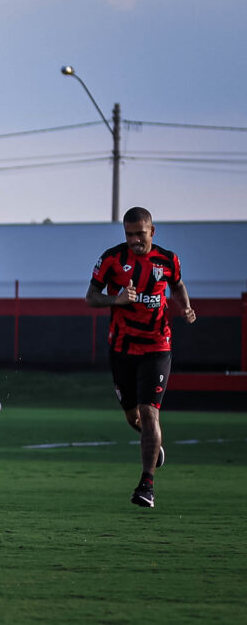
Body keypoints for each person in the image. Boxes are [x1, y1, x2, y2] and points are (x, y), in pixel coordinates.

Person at [85, 206, 196, 508]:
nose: (135, 240)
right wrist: (116, 299)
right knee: (133, 416)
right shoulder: (111, 259)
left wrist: (185, 306)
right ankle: (154, 442)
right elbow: (91, 297)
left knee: (150, 413)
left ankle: (146, 484)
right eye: (129, 234)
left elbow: (178, 284)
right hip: (121, 349)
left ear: (152, 231)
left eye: (140, 234)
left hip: (157, 347)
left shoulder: (168, 259)